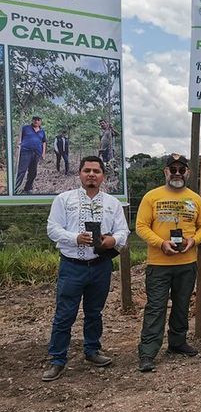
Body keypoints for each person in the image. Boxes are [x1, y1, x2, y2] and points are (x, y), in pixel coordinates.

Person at [42, 156, 129, 381]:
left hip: (100, 266)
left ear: (103, 176)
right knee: (64, 314)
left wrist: (112, 241)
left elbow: (123, 231)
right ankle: (57, 359)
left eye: (96, 171)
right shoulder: (64, 199)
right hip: (72, 266)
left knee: (94, 312)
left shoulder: (112, 203)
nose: (91, 174)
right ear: (79, 174)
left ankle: (92, 351)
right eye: (87, 170)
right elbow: (52, 229)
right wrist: (75, 238)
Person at [136, 153, 201, 372]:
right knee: (156, 307)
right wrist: (161, 243)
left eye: (181, 170)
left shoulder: (195, 198)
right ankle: (148, 352)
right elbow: (141, 226)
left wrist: (193, 241)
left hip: (187, 261)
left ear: (188, 172)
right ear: (165, 172)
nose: (177, 173)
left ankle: (177, 342)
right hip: (159, 263)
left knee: (182, 305)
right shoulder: (152, 196)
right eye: (173, 169)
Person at [15, 115, 46, 193]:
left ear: (40, 121)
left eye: (38, 120)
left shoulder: (42, 131)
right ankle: (16, 189)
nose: (36, 121)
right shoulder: (25, 128)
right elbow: (19, 138)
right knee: (22, 170)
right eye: (35, 119)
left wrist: (43, 153)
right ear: (32, 120)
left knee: (33, 172)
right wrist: (17, 147)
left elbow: (44, 142)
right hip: (26, 152)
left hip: (37, 153)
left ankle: (28, 188)